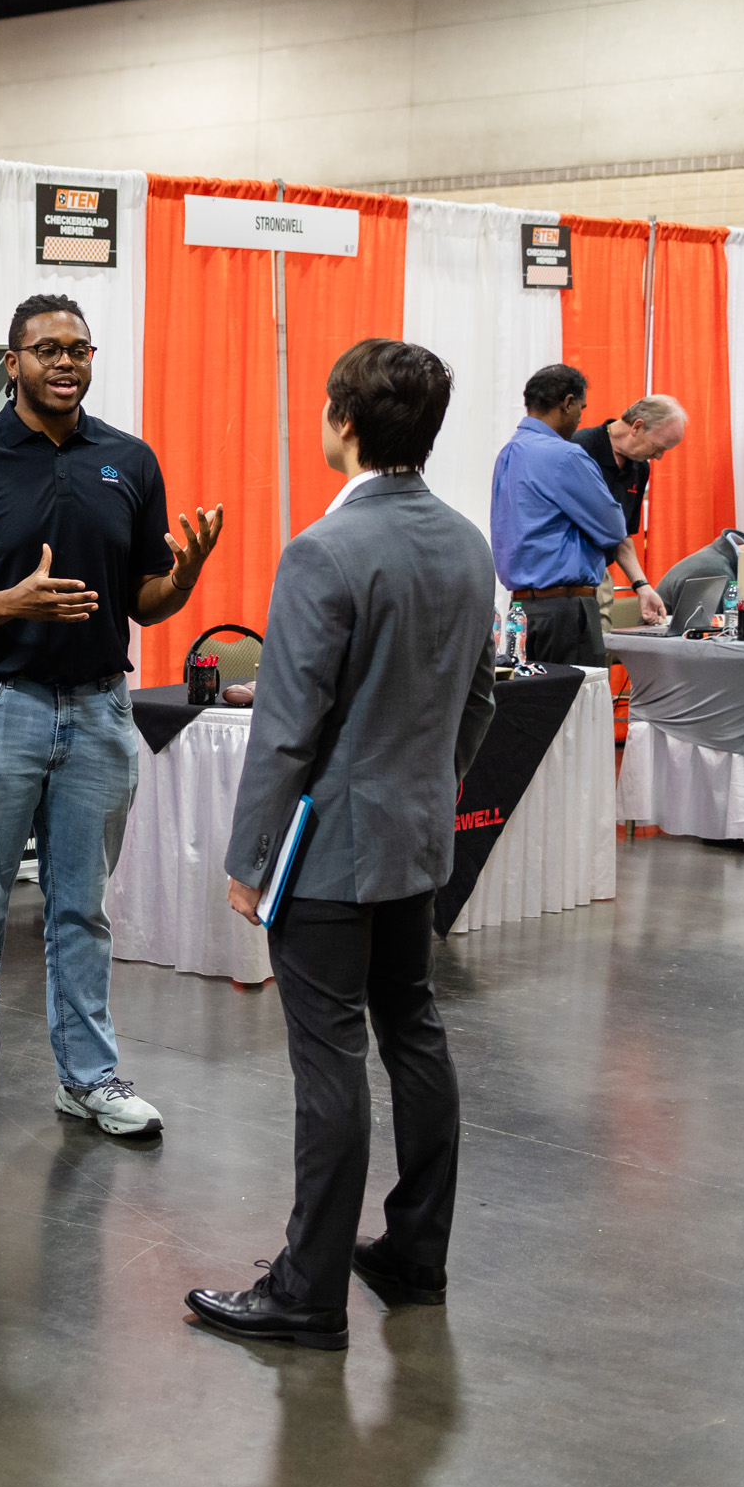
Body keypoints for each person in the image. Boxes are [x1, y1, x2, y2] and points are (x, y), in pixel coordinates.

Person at [186, 339, 496, 1352]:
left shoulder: (323, 551)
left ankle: (306, 1290)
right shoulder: (465, 541)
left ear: (345, 422)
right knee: (412, 1028)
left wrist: (248, 856)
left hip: (326, 855)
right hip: (413, 841)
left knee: (329, 1061)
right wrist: (432, 785)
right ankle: (416, 1254)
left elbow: (285, 726)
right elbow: (480, 699)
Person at [0, 292, 223, 1155]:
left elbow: (147, 604)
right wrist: (13, 602)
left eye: (79, 348)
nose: (66, 363)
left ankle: (90, 1081)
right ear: (11, 364)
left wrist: (184, 577)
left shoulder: (127, 460)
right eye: (47, 349)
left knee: (82, 909)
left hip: (98, 712)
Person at [490, 363, 626, 665]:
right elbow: (615, 528)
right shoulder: (565, 455)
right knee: (575, 709)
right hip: (565, 612)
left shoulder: (508, 453)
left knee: (532, 708)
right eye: (581, 407)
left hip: (522, 611)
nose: (581, 418)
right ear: (567, 403)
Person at [570, 394, 686, 624]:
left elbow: (623, 536)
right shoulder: (578, 448)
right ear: (637, 426)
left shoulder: (639, 468)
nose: (659, 457)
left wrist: (642, 586)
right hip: (564, 577)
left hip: (599, 574)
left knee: (600, 649)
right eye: (657, 447)